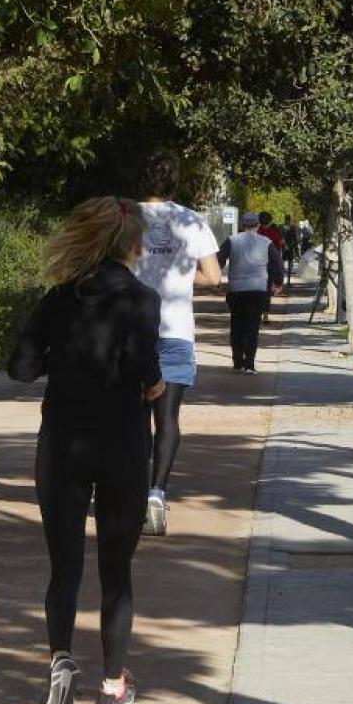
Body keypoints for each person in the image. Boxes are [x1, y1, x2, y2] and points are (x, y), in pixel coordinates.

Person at [8, 196, 164, 704]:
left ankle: (59, 662)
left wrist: (64, 362)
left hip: (61, 445)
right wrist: (153, 385)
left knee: (65, 567)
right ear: (130, 244)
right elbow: (148, 373)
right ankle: (112, 688)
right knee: (116, 572)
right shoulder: (143, 300)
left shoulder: (57, 298)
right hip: (121, 444)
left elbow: (21, 367)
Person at [134, 151, 222, 537]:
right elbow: (214, 277)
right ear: (174, 183)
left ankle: (131, 489)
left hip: (129, 331)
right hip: (174, 330)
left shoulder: (123, 218)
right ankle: (156, 493)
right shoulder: (191, 220)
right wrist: (183, 281)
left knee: (131, 417)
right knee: (166, 417)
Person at [218, 213, 284, 374]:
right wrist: (278, 282)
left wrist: (216, 279)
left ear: (242, 225)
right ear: (258, 225)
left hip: (236, 289)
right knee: (252, 327)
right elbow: (277, 263)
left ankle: (237, 361)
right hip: (258, 289)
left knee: (237, 325)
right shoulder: (266, 242)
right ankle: (250, 364)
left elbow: (219, 258)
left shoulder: (232, 240)